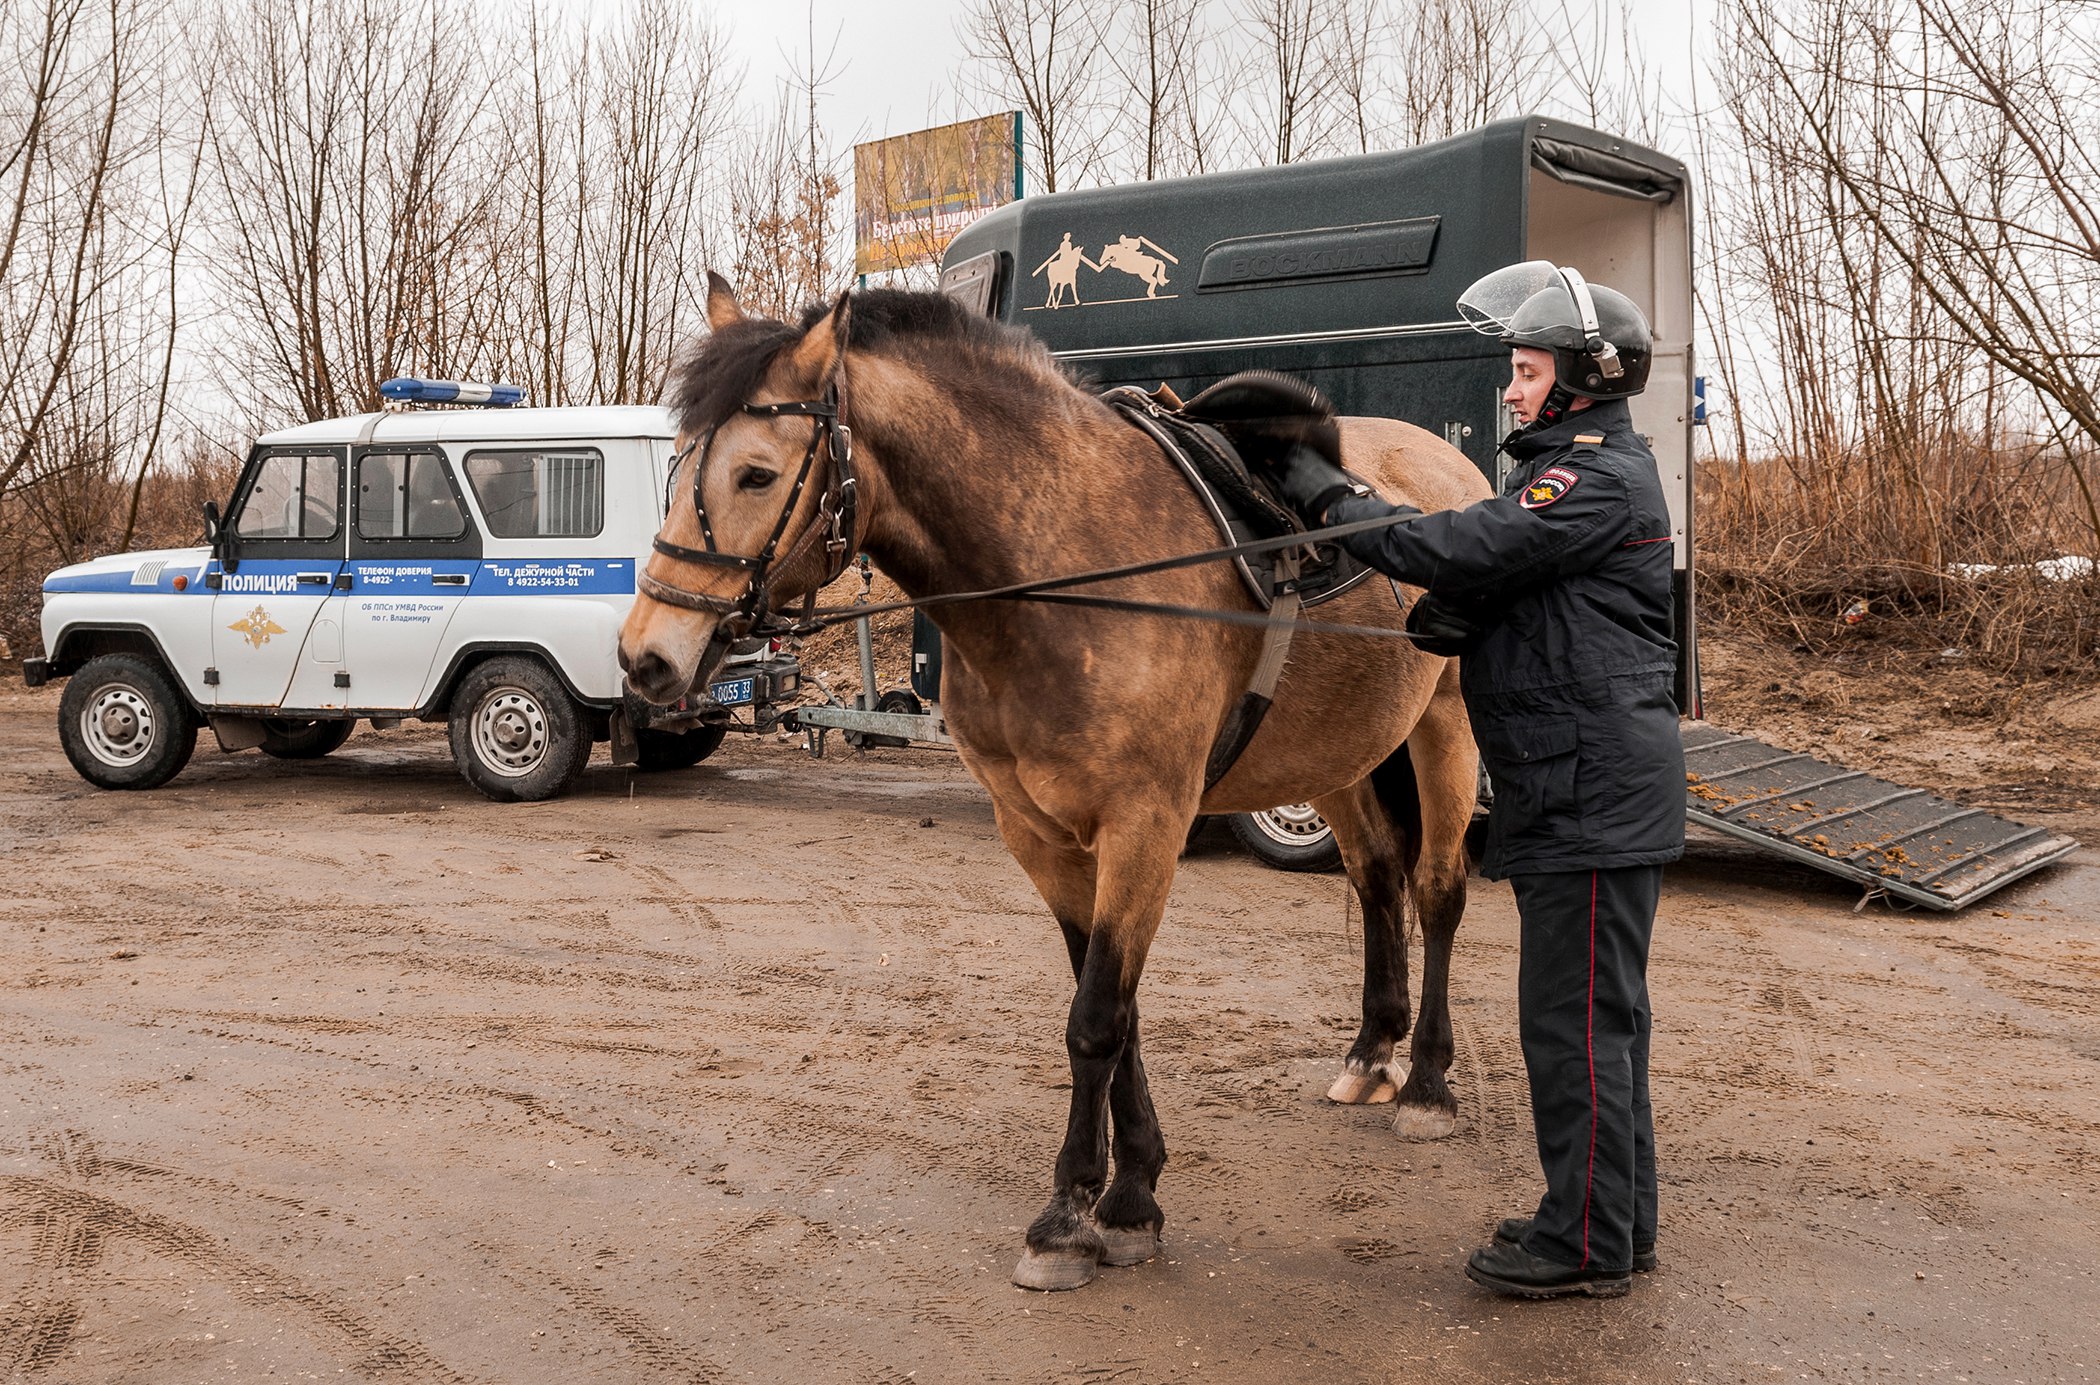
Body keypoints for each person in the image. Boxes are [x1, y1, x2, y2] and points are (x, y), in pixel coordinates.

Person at [1264, 262, 1685, 1299]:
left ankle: (1577, 1240)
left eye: (1529, 369)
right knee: (1605, 1022)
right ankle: (1616, 1223)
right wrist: (1471, 618)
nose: (1512, 386)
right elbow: (1512, 581)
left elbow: (1462, 540)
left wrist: (1330, 491)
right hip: (1589, 785)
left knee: (1571, 1024)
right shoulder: (1593, 475)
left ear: (1584, 380)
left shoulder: (1590, 478)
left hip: (1587, 792)